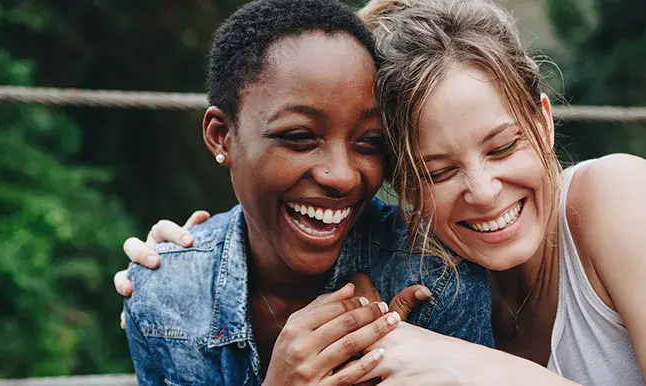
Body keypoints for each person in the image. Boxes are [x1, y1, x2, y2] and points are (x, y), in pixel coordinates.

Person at [121, 0, 646, 384]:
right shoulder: (431, 278)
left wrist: (487, 372)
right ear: (403, 184)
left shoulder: (617, 199)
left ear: (544, 122)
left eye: (503, 147)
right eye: (438, 172)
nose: (484, 192)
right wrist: (193, 265)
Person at [118, 0, 493, 385]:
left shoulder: (436, 278)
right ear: (221, 136)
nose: (343, 176)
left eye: (369, 142)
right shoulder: (164, 295)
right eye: (299, 137)